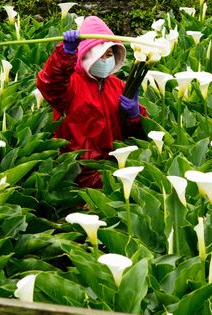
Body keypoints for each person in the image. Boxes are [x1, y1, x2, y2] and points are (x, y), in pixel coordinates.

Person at [36, 16, 146, 188]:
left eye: (109, 55)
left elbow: (134, 134)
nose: (105, 60)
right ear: (85, 55)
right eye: (99, 55)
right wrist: (66, 53)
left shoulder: (118, 86)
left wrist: (135, 116)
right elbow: (50, 82)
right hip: (76, 170)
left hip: (112, 166)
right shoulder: (71, 84)